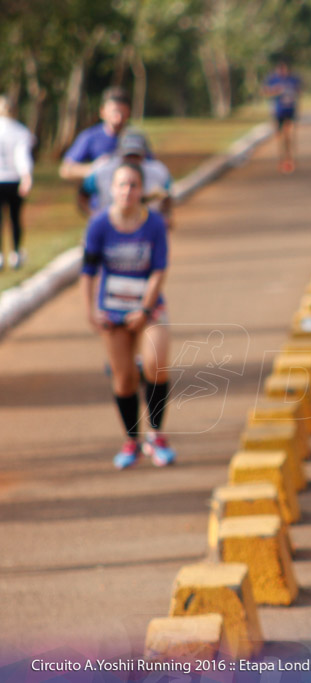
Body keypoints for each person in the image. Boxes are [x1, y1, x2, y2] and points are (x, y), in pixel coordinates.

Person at [80, 161, 176, 469]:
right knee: (123, 381)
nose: (127, 191)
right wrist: (91, 310)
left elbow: (159, 269)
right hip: (112, 310)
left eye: (134, 185)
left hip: (148, 307)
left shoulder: (154, 224)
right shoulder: (98, 225)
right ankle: (132, 439)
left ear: (142, 190)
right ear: (111, 189)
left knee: (156, 364)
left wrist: (145, 309)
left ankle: (156, 435)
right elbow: (88, 271)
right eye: (121, 184)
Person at [80, 130, 173, 226]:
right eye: (128, 156)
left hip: (145, 226)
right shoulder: (102, 171)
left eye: (136, 156)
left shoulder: (158, 172)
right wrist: (92, 215)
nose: (132, 161)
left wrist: (165, 216)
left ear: (144, 155)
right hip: (109, 224)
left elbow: (167, 196)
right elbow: (83, 194)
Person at [59, 86, 134, 182]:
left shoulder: (136, 137)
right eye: (115, 112)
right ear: (102, 112)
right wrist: (95, 168)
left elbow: (151, 166)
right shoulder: (89, 137)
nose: (118, 118)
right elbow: (65, 170)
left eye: (123, 113)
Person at [0, 96, 34, 270]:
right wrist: (26, 177)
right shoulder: (20, 131)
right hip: (13, 180)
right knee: (15, 218)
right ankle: (15, 254)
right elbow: (22, 157)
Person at [262, 59, 302, 174]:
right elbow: (265, 91)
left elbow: (299, 92)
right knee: (279, 137)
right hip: (278, 111)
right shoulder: (273, 79)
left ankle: (290, 159)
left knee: (289, 135)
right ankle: (281, 159)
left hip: (290, 111)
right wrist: (276, 91)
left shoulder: (293, 79)